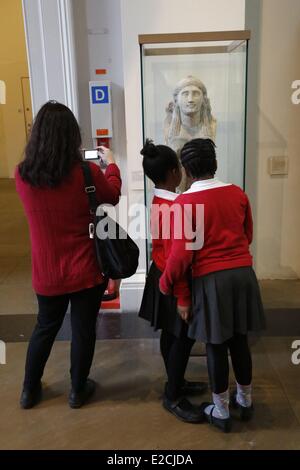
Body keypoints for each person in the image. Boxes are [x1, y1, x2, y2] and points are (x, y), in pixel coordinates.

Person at [16, 101, 121, 409]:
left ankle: (28, 390)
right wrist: (111, 165)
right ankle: (77, 390)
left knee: (44, 328)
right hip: (85, 269)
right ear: (72, 135)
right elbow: (112, 194)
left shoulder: (22, 175)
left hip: (46, 272)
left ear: (37, 135)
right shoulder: (86, 173)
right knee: (83, 329)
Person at [159, 138, 266, 432]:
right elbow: (248, 234)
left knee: (216, 345)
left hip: (212, 281)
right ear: (214, 164)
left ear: (187, 169)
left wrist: (165, 283)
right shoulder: (237, 194)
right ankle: (244, 401)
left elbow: (181, 255)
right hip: (243, 275)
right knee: (239, 341)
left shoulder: (185, 203)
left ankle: (220, 411)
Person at [139, 139, 207, 423]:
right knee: (182, 338)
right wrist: (183, 296)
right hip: (173, 279)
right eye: (179, 168)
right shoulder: (177, 205)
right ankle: (173, 396)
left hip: (160, 274)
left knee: (170, 335)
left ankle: (176, 383)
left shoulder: (158, 200)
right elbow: (177, 258)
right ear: (172, 173)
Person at [164, 76, 217, 192]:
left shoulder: (211, 125)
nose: (190, 99)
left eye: (196, 94)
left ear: (204, 99)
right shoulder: (170, 128)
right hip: (180, 194)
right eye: (185, 94)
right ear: (176, 100)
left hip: (204, 191)